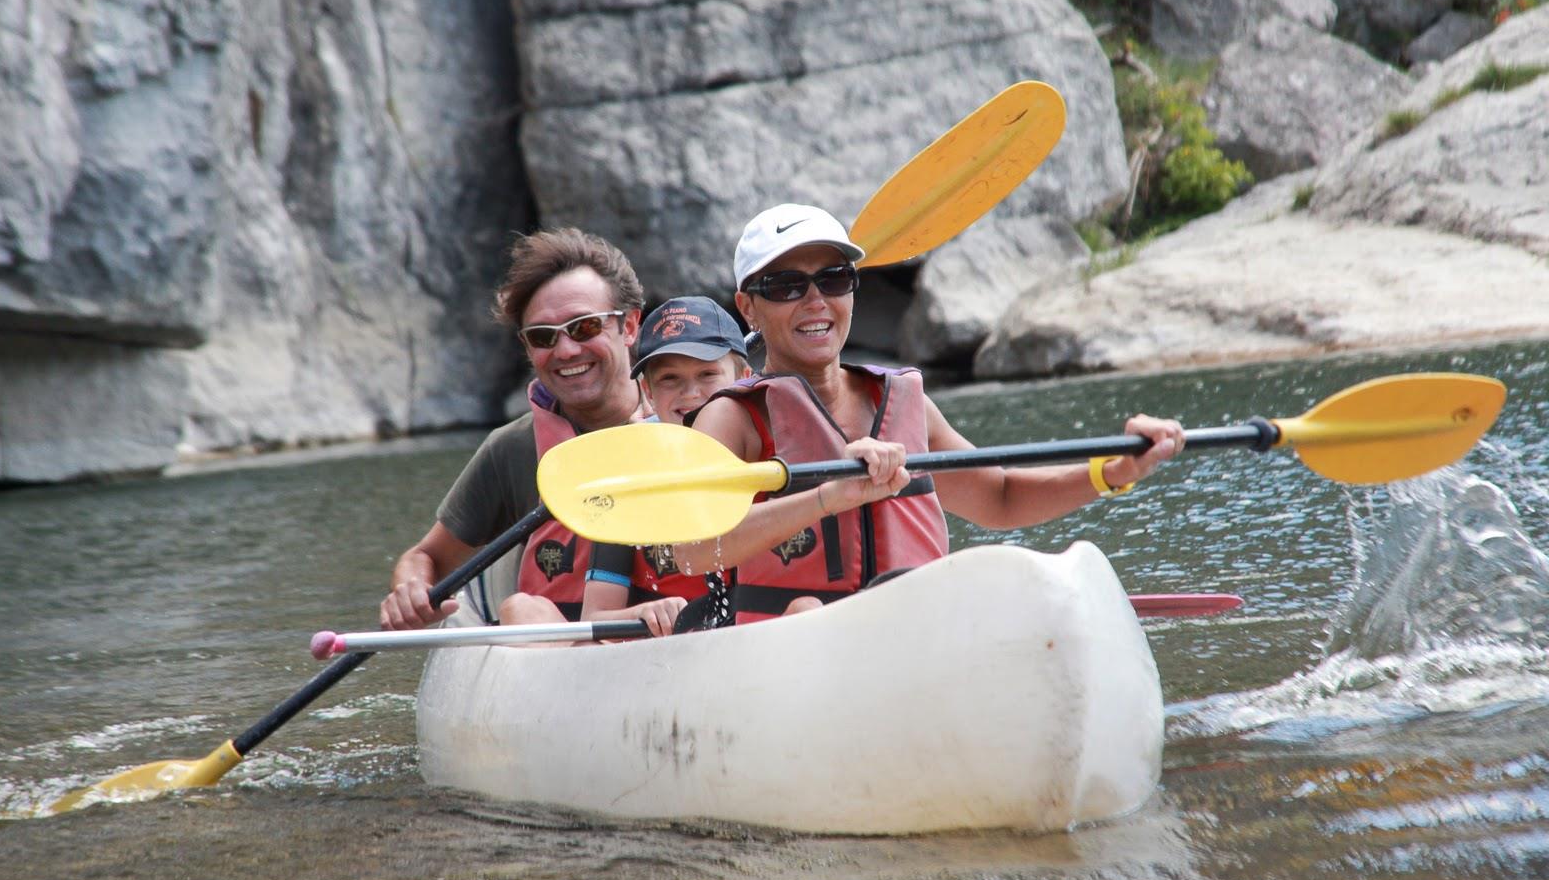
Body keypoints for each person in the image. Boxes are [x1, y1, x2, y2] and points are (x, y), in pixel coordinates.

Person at [679, 202, 1187, 625]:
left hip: (917, 633)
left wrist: (1112, 471)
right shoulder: (732, 419)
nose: (815, 301)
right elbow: (693, 550)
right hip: (795, 653)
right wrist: (828, 497)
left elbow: (1001, 497)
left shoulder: (904, 402)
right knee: (806, 611)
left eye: (834, 279)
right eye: (786, 286)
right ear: (748, 307)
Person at [379, 227, 683, 637]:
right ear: (527, 348)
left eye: (584, 327)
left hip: (682, 633)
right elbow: (426, 557)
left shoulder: (698, 422)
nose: (566, 351)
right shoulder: (513, 449)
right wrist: (411, 590)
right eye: (543, 337)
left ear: (629, 326)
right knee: (521, 609)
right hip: (559, 649)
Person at [579, 296, 753, 627]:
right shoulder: (625, 477)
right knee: (522, 607)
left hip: (757, 637)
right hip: (666, 648)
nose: (691, 393)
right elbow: (595, 617)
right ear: (648, 391)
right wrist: (641, 613)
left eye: (708, 374)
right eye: (670, 378)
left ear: (744, 378)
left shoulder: (772, 454)